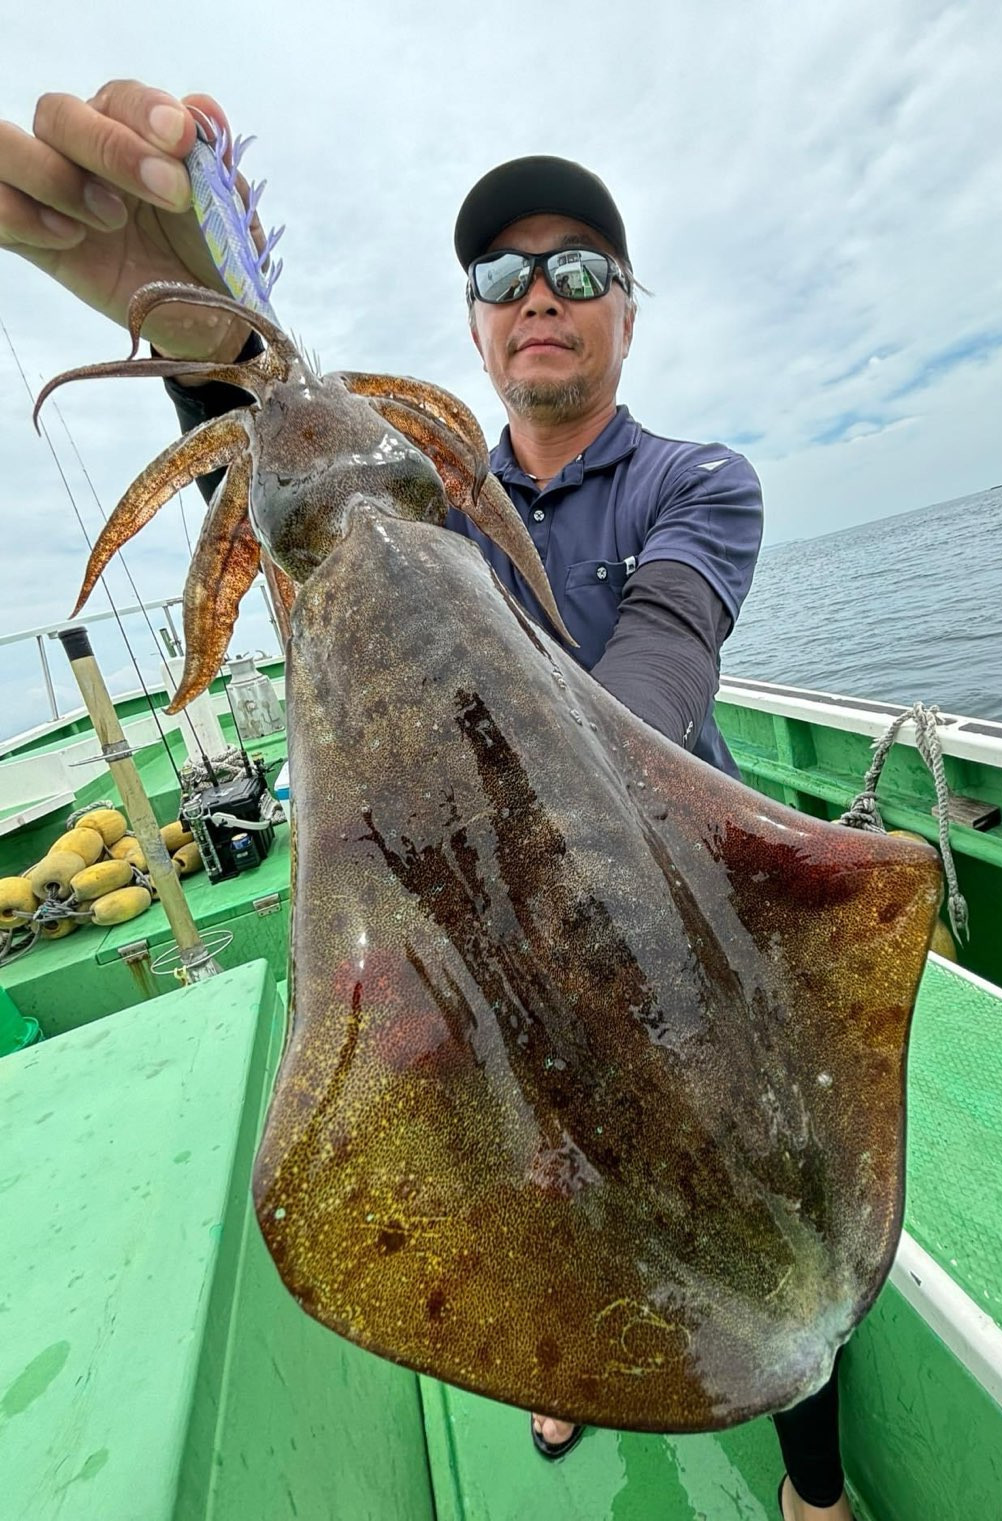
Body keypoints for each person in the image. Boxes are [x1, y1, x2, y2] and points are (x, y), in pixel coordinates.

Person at [0, 82, 853, 1521]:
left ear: (625, 312)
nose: (538, 295)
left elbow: (658, 662)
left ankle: (814, 1488)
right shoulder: (421, 504)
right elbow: (310, 489)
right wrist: (209, 336)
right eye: (500, 275)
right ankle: (572, 1354)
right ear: (469, 325)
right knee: (529, 1173)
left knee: (778, 1161)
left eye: (577, 269)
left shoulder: (698, 483)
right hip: (469, 917)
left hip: (679, 895)